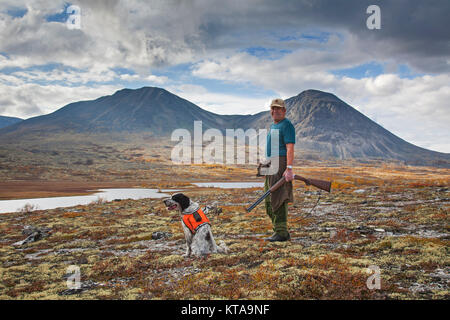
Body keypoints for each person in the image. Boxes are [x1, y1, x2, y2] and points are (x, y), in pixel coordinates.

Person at [264, 98, 295, 242]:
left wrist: (288, 168)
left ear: (284, 111)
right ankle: (279, 230)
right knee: (269, 197)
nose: (275, 111)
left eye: (278, 108)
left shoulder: (287, 125)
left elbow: (290, 147)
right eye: (273, 108)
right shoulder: (273, 125)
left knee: (278, 196)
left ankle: (281, 232)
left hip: (280, 163)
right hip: (271, 163)